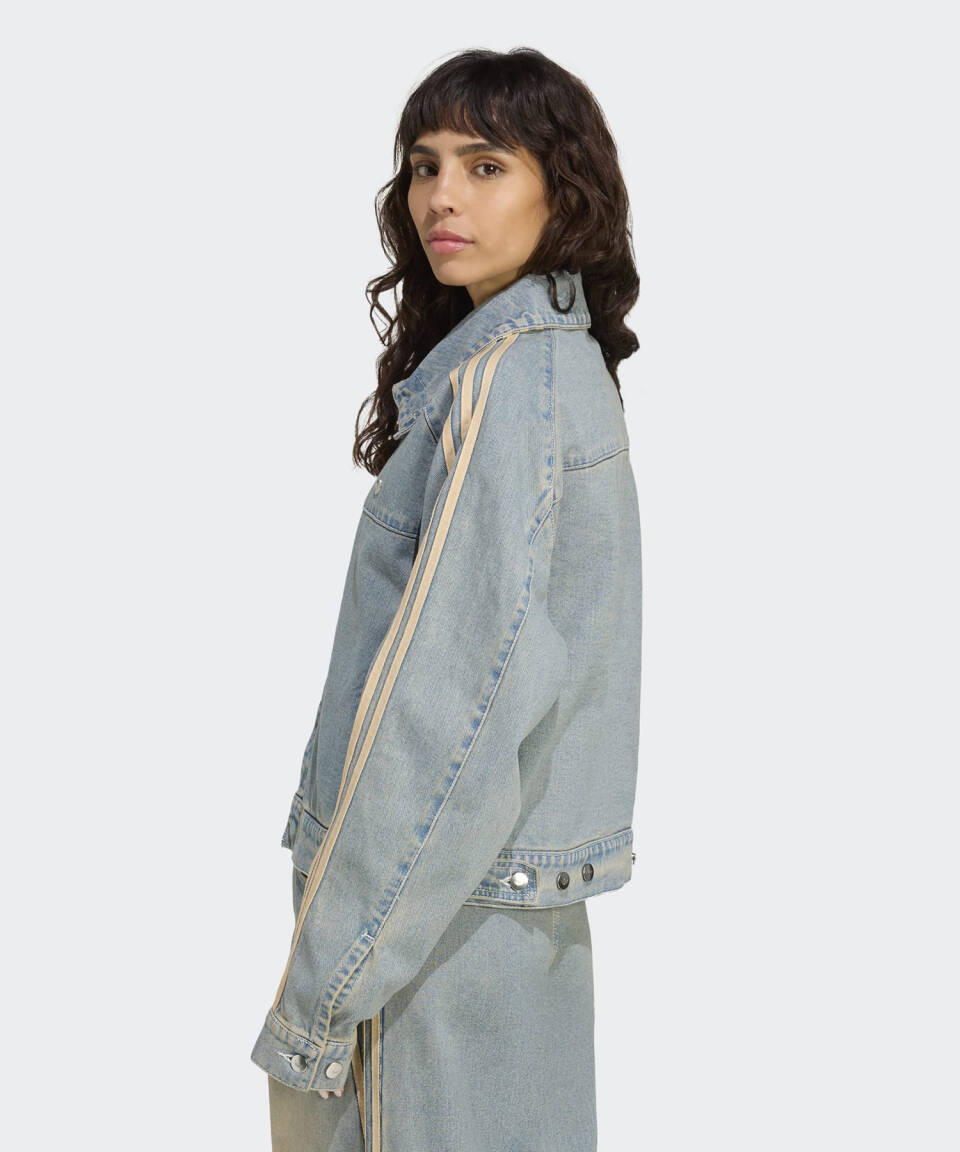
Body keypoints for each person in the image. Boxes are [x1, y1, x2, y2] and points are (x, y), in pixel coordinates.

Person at [250, 47, 643, 1152]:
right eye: (424, 166)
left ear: (564, 192)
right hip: (491, 930)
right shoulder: (554, 365)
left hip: (427, 942)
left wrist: (321, 996)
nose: (441, 197)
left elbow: (450, 714)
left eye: (485, 165)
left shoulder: (511, 383)